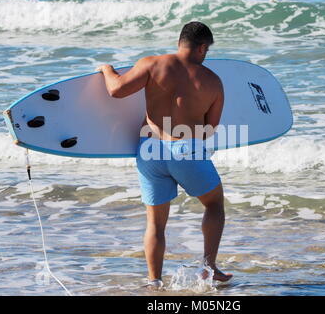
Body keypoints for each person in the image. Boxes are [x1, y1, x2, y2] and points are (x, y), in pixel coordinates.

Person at [96, 21, 232, 288]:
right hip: (186, 150)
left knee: (155, 222)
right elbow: (210, 129)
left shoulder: (151, 64)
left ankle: (154, 281)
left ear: (180, 42)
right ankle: (209, 267)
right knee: (214, 203)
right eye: (207, 50)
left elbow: (116, 90)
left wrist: (106, 69)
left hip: (149, 149)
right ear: (202, 47)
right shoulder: (212, 81)